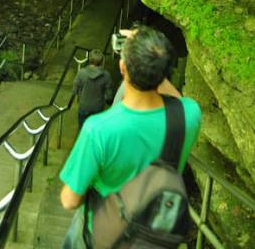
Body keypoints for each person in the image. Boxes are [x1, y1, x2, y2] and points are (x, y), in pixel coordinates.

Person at [59, 26, 202, 249]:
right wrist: (152, 55)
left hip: (105, 235)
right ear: (166, 72)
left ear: (122, 67)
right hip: (155, 233)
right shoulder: (189, 115)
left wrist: (140, 48)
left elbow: (70, 200)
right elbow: (176, 99)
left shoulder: (99, 130)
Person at [72, 49, 113, 128]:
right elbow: (109, 95)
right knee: (96, 129)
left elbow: (74, 90)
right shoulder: (106, 75)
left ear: (89, 60)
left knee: (82, 129)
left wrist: (80, 94)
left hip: (84, 106)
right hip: (98, 107)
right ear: (101, 61)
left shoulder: (81, 72)